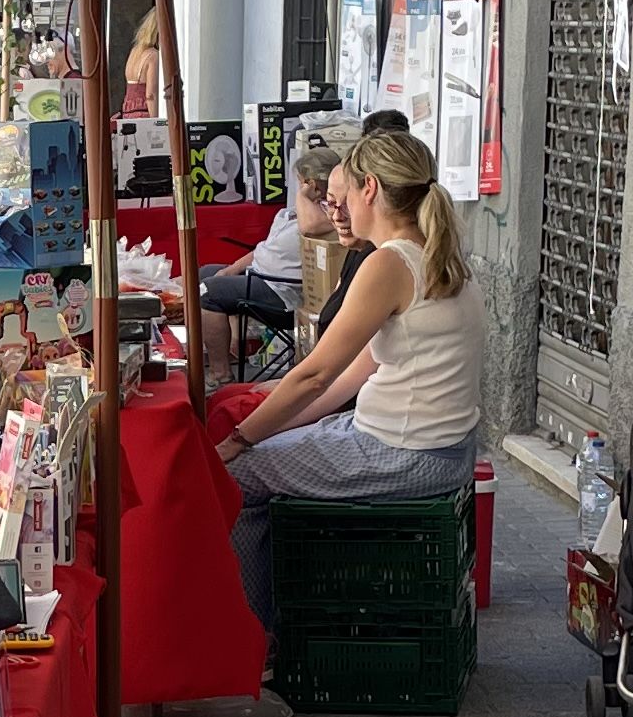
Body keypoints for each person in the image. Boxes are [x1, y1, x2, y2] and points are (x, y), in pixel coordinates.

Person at [215, 125, 482, 625]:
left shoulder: (388, 264)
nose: (336, 206)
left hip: (404, 455)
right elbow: (353, 375)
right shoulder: (435, 254)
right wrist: (269, 423)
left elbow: (316, 375)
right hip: (430, 447)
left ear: (371, 190)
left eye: (344, 193)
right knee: (264, 453)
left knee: (236, 478)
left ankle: (259, 640)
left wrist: (238, 441)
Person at [199, 138, 337, 359]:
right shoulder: (294, 211)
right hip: (259, 275)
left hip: (282, 292)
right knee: (205, 273)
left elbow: (310, 227)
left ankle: (220, 372)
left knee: (207, 292)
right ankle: (225, 344)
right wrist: (231, 269)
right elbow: (264, 249)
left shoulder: (327, 215)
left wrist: (304, 195)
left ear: (312, 185)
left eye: (301, 182)